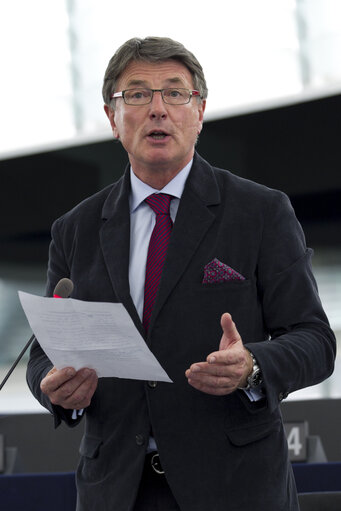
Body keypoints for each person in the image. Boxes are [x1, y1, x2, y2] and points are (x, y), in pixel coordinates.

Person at [27, 36, 336, 511]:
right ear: (112, 118)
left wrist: (252, 365)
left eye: (175, 93)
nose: (157, 109)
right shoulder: (75, 229)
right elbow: (45, 356)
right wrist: (57, 388)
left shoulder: (260, 211)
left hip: (235, 488)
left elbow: (315, 340)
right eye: (136, 94)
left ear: (200, 113)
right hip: (116, 490)